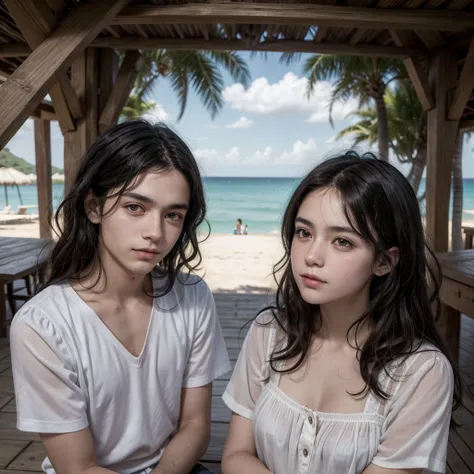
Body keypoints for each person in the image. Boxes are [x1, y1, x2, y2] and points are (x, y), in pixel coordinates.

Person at [10, 120, 231, 474]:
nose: (155, 233)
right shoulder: (43, 326)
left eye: (173, 215)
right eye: (135, 207)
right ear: (93, 207)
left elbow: (195, 426)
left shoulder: (192, 297)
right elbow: (79, 467)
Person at [221, 151, 462, 474]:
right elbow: (235, 456)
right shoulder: (269, 332)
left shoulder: (421, 372)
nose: (312, 256)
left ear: (384, 261)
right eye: (304, 233)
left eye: (342, 242)